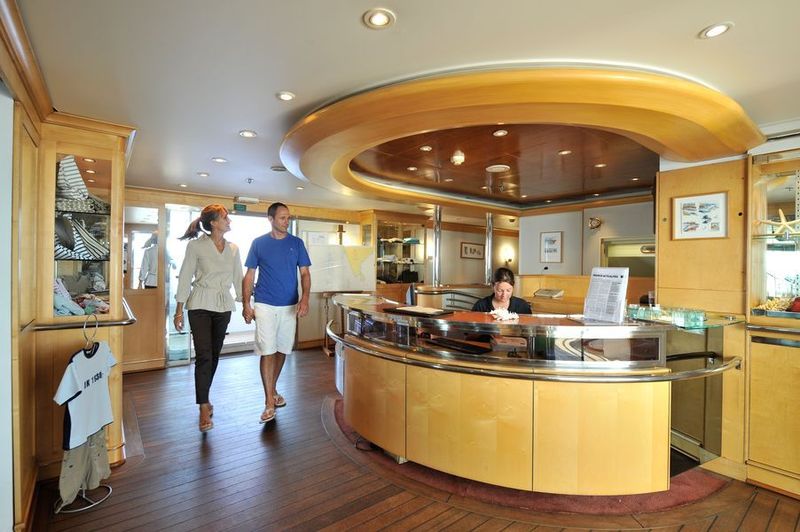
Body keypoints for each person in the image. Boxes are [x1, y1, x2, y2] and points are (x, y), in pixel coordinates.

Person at [174, 205, 243, 433]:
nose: (229, 221)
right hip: (200, 305)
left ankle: (205, 396)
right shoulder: (196, 246)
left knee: (213, 355)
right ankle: (203, 406)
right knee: (204, 356)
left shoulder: (233, 249)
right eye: (225, 218)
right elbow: (185, 276)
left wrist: (246, 304)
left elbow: (238, 278)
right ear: (213, 223)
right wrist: (178, 309)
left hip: (223, 306)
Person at [242, 202, 311, 424]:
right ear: (270, 219)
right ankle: (268, 403)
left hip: (289, 305)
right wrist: (246, 304)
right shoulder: (258, 243)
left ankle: (272, 390)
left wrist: (305, 298)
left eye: (288, 218)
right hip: (265, 303)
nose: (286, 222)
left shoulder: (297, 243)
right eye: (282, 218)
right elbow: (249, 275)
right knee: (268, 350)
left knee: (282, 350)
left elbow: (305, 274)